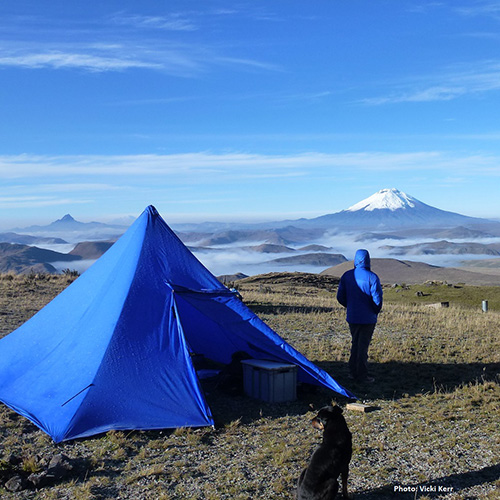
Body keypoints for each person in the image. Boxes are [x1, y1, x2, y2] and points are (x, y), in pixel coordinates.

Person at [337, 249, 383, 383]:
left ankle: (352, 373)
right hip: (368, 318)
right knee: (363, 347)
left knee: (355, 344)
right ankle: (362, 376)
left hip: (352, 317)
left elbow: (340, 297)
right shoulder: (372, 277)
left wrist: (350, 307)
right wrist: (374, 311)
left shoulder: (347, 276)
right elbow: (377, 300)